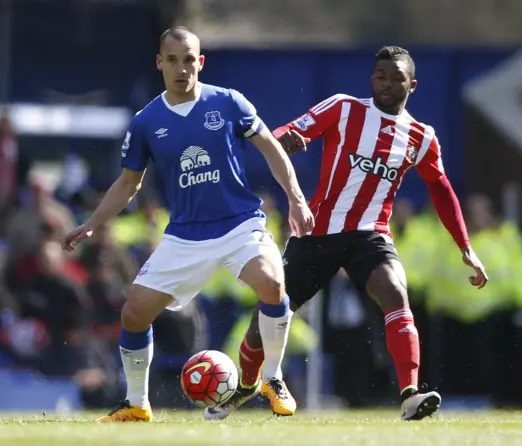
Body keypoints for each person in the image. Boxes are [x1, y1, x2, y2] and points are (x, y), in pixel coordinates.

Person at [205, 46, 489, 422]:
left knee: (394, 291)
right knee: (268, 316)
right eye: (380, 76)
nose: (386, 84)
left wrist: (465, 247)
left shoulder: (421, 137)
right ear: (372, 78)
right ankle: (245, 387)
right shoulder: (343, 108)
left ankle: (409, 394)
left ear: (413, 85)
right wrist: (289, 139)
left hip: (370, 236)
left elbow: (441, 189)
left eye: (396, 79)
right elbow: (288, 132)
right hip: (317, 233)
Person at [61, 26, 314, 422]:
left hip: (239, 225)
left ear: (201, 62)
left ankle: (273, 378)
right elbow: (129, 183)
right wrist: (93, 223)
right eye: (173, 60)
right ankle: (137, 403)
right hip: (185, 236)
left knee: (272, 282)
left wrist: (296, 198)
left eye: (189, 59)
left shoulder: (229, 102)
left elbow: (272, 149)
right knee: (133, 314)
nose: (183, 68)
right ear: (160, 63)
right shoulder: (146, 121)